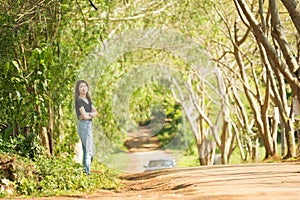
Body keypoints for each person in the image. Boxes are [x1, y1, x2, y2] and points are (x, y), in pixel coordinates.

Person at [75, 80, 98, 175]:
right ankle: (87, 173)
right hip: (83, 125)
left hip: (89, 125)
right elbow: (83, 117)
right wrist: (89, 115)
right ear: (78, 89)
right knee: (88, 152)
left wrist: (89, 114)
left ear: (87, 88)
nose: (83, 88)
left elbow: (96, 113)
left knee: (88, 151)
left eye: (85, 86)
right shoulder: (79, 100)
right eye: (81, 87)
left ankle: (85, 171)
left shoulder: (88, 100)